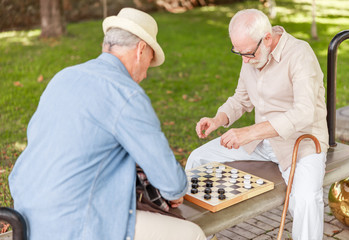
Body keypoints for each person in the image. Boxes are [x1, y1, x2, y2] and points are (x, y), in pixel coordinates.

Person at [9, 8, 206, 240]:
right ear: (141, 50)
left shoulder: (64, 77)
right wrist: (175, 191)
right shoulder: (126, 93)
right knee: (192, 233)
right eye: (149, 63)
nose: (145, 75)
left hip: (26, 212)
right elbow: (172, 183)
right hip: (72, 223)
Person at [185, 9, 328, 240]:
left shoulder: (300, 54)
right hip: (261, 143)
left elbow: (304, 112)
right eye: (239, 53)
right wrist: (217, 119)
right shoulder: (251, 53)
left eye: (248, 53)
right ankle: (197, 234)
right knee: (198, 160)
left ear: (268, 39)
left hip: (302, 143)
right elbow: (241, 99)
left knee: (306, 200)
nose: (244, 60)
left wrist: (249, 132)